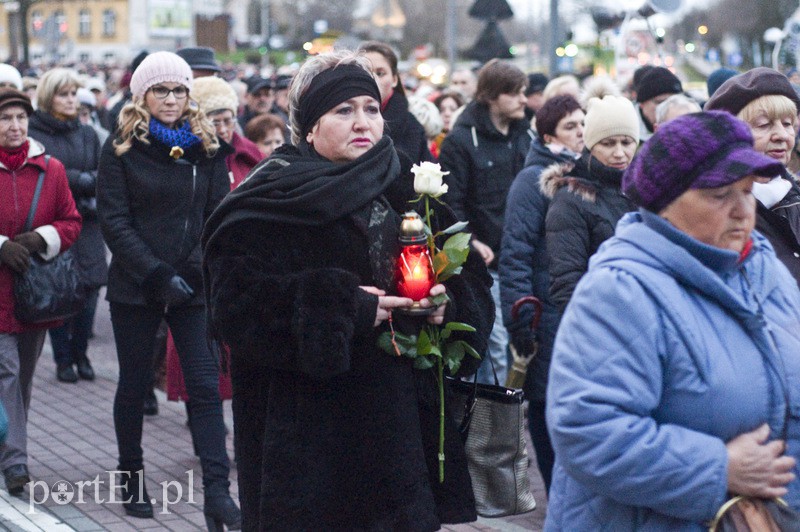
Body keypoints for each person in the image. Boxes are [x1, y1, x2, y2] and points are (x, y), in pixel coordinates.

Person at [202, 50, 494, 530]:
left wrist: (449, 304)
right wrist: (346, 307)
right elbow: (235, 306)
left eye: (371, 108)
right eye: (344, 110)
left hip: (399, 437)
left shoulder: (406, 184)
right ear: (310, 126)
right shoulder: (268, 196)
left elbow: (471, 282)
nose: (363, 122)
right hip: (309, 443)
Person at [545, 110, 800, 530]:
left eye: (747, 191)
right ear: (665, 202)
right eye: (721, 195)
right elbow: (587, 431)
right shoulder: (620, 290)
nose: (743, 211)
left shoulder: (762, 267)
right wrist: (717, 467)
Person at [96, 51, 240, 528]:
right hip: (138, 285)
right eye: (162, 90)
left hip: (193, 284)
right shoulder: (120, 147)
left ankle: (218, 493)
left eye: (179, 90)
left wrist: (198, 270)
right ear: (143, 96)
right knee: (135, 384)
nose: (173, 99)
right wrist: (157, 274)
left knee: (203, 386)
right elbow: (115, 223)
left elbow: (217, 215)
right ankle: (131, 474)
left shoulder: (207, 147)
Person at [499, 93, 584, 493]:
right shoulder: (531, 182)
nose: (580, 133)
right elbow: (514, 255)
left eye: (583, 124)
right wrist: (521, 320)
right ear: (549, 134)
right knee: (546, 402)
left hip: (573, 310)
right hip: (544, 313)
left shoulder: (585, 176)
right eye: (571, 126)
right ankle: (555, 490)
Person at [0, 89, 81, 495]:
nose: (14, 126)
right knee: (7, 372)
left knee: (23, 377)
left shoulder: (52, 170)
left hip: (34, 296)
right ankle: (16, 462)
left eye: (20, 118)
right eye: (5, 118)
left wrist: (38, 238)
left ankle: (9, 444)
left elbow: (71, 221)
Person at [439, 58, 534, 385]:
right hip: (486, 262)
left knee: (521, 344)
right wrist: (471, 240)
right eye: (516, 92)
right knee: (493, 345)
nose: (525, 99)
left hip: (522, 256)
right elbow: (450, 201)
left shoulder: (525, 135)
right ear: (492, 96)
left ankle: (512, 417)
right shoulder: (461, 141)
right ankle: (489, 427)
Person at [27, 68, 107, 384]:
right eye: (64, 94)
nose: (71, 100)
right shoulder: (36, 135)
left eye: (74, 93)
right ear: (49, 97)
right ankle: (63, 359)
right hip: (53, 224)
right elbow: (43, 176)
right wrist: (78, 179)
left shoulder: (87, 133)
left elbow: (104, 175)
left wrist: (84, 182)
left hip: (87, 223)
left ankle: (81, 352)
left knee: (89, 292)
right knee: (57, 292)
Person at [542, 93, 639, 313]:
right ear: (590, 145)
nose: (619, 153)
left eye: (626, 142)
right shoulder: (570, 198)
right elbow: (567, 281)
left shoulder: (645, 190)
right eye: (607, 143)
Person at [706, 66, 800, 284]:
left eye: (787, 124)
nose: (782, 135)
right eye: (764, 125)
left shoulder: (793, 195)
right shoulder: (713, 213)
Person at [359, 41, 433, 165]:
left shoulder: (412, 127)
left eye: (380, 73)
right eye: (365, 72)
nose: (373, 79)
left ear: (394, 79)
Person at [191, 76, 263, 188]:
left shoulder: (250, 152)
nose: (223, 130)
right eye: (215, 123)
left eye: (228, 121)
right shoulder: (190, 158)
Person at [634, 66, 683, 141]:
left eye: (674, 102)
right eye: (660, 102)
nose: (669, 108)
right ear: (642, 104)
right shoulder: (624, 135)